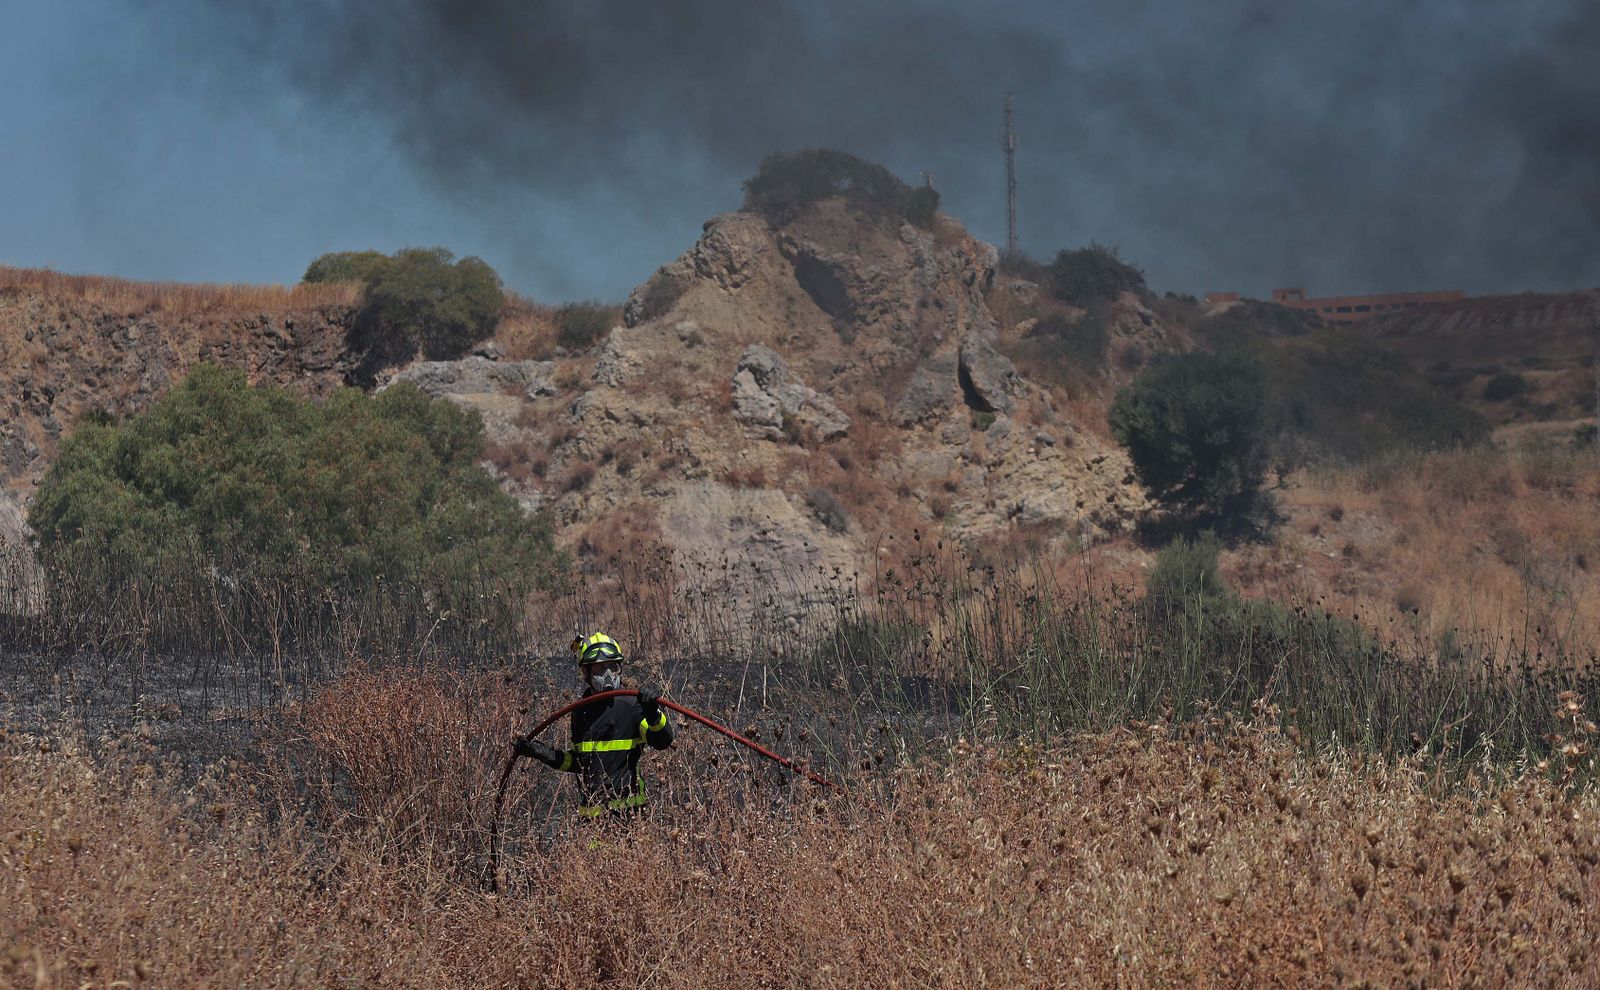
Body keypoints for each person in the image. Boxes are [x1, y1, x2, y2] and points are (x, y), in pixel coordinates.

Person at [515, 632, 674, 817]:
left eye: (612, 667)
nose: (607, 675)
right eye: (599, 669)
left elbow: (663, 741)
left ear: (619, 669)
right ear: (586, 672)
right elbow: (578, 763)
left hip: (629, 817)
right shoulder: (580, 711)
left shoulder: (631, 706)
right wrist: (542, 753)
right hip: (591, 819)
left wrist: (653, 714)